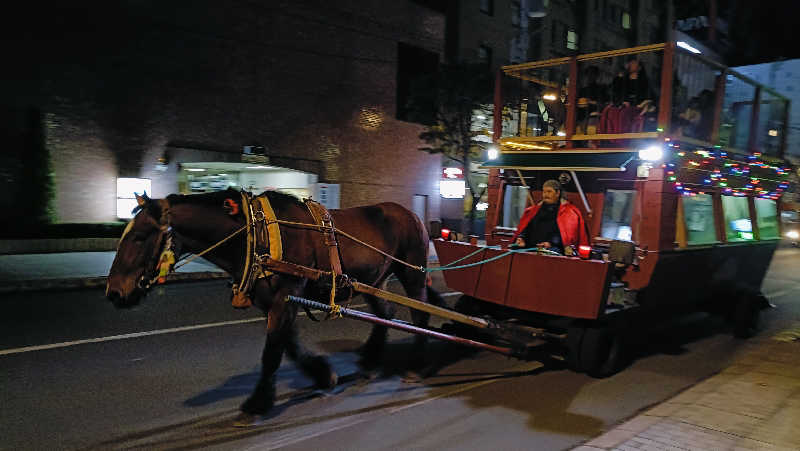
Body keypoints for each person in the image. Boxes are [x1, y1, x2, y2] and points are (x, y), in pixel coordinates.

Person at [510, 179, 589, 254]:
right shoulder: (534, 210)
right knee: (513, 249)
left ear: (557, 193)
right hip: (531, 247)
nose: (545, 195)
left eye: (549, 191)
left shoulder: (569, 212)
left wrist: (551, 243)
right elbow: (527, 227)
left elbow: (566, 236)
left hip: (553, 248)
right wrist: (522, 237)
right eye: (544, 192)